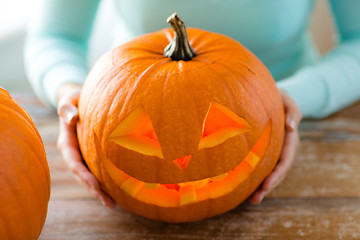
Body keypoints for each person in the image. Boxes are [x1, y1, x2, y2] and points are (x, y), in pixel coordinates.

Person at [25, 0, 360, 209]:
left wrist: (289, 101)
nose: (182, 162)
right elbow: (55, 36)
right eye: (149, 141)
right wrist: (72, 96)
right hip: (126, 99)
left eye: (219, 130)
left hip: (300, 124)